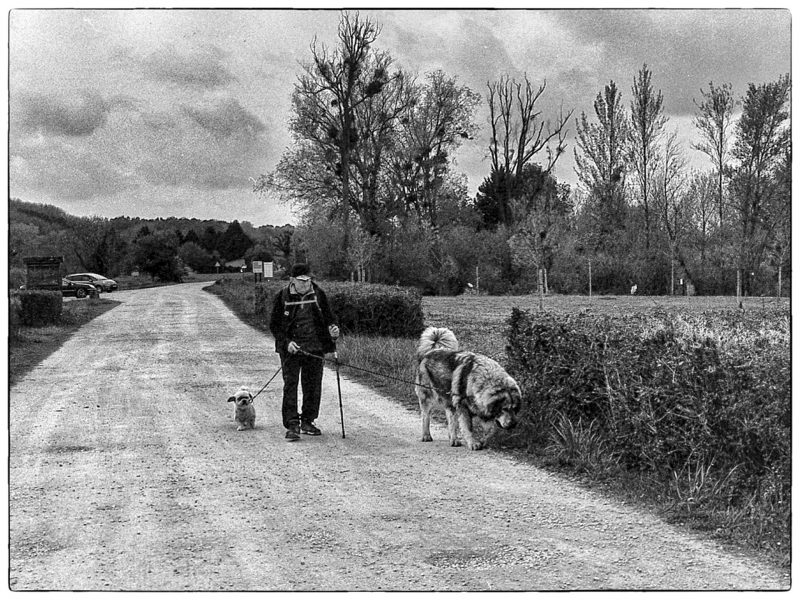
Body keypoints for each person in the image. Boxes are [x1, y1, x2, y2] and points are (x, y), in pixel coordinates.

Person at [269, 264, 340, 441]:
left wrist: (333, 329)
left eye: (309, 280)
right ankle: (292, 425)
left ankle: (308, 420)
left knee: (313, 386)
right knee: (290, 386)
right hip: (291, 350)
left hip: (314, 348)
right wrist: (286, 343)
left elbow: (330, 318)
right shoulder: (282, 297)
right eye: (302, 280)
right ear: (292, 280)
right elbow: (275, 326)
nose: (306, 283)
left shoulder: (318, 294)